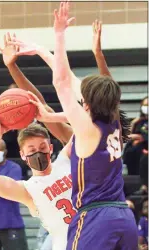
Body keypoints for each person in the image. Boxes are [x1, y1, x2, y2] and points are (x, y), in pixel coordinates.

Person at [29, 2, 138, 250]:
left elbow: (63, 81)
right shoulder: (113, 122)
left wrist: (58, 34)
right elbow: (74, 84)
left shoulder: (88, 129)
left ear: (86, 102)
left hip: (96, 217)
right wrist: (42, 53)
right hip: (123, 216)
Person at [0, 117, 75, 250]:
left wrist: (47, 115)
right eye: (31, 150)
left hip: (97, 235)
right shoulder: (28, 189)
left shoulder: (65, 159)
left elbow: (84, 132)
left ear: (51, 148)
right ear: (22, 155)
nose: (38, 153)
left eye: (42, 147)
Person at [123, 96, 148, 175]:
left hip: (145, 147)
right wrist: (133, 123)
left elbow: (141, 135)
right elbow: (129, 135)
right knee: (131, 151)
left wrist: (141, 137)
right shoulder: (139, 121)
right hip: (135, 148)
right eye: (145, 105)